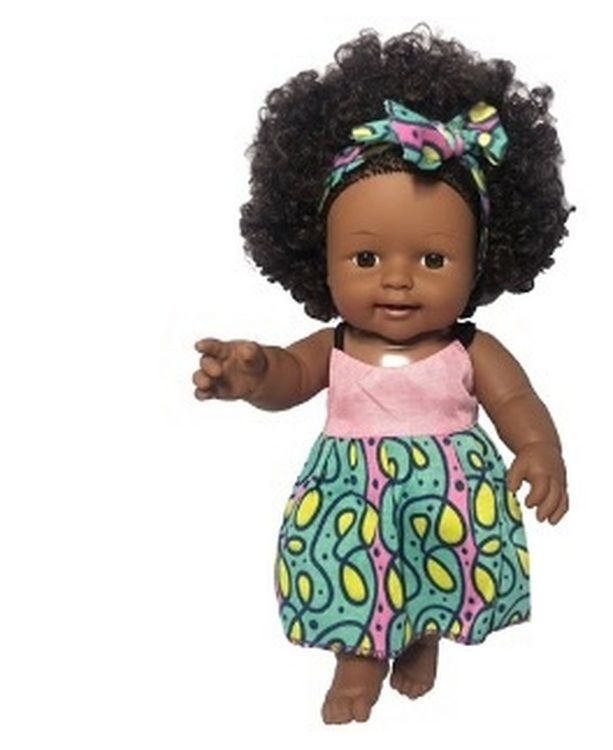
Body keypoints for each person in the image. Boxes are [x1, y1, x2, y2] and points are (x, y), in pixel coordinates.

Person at [193, 24, 573, 724]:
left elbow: (517, 398)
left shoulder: (469, 348)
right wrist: (255, 374)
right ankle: (358, 659)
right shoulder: (337, 343)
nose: (397, 281)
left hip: (447, 497)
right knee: (357, 572)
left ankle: (422, 637)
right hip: (354, 497)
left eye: (433, 260)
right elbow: (291, 376)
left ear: (481, 261)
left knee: (434, 572)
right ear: (321, 255)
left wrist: (539, 448)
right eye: (366, 259)